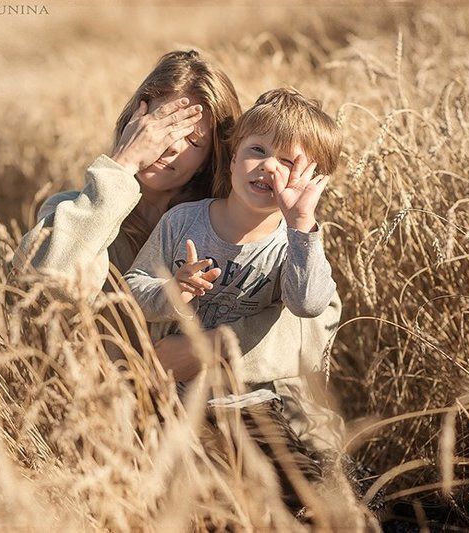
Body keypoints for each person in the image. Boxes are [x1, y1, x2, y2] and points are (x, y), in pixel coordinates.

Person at [13, 50, 346, 511]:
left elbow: (314, 322)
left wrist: (207, 348)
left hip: (245, 408)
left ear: (218, 153)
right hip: (121, 415)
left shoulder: (236, 219)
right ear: (133, 121)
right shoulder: (80, 210)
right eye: (159, 128)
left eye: (191, 139)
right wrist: (120, 169)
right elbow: (42, 283)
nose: (168, 148)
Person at [123, 87, 344, 516]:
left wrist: (302, 226)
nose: (268, 168)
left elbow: (309, 305)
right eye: (257, 150)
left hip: (253, 407)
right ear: (233, 150)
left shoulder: (292, 244)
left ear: (313, 178)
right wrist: (172, 294)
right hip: (174, 400)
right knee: (195, 504)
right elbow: (133, 286)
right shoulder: (183, 221)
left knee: (311, 503)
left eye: (288, 162)